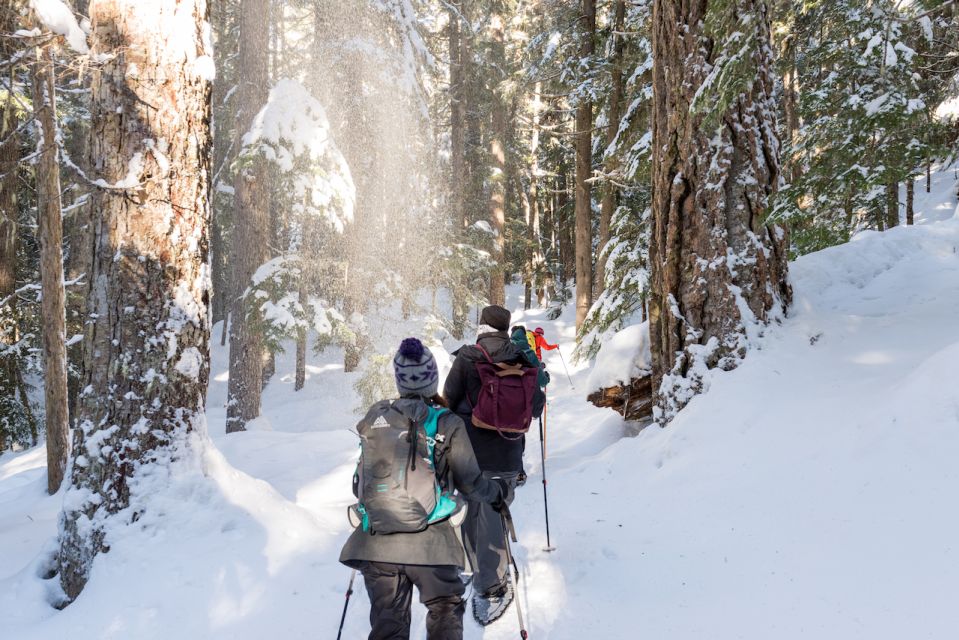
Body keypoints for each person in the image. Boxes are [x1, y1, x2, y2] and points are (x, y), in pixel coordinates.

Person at [340, 337, 511, 640]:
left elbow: (359, 485)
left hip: (377, 544)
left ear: (400, 381)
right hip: (433, 545)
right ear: (433, 379)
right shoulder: (446, 422)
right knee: (444, 611)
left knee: (387, 625)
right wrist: (497, 494)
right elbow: (471, 483)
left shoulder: (377, 418)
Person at [443, 306, 545, 624]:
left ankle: (475, 577)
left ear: (482, 326)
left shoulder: (468, 356)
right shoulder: (524, 357)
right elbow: (538, 407)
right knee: (494, 515)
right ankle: (490, 584)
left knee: (469, 514)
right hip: (507, 457)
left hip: (469, 453)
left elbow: (448, 398)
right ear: (505, 328)